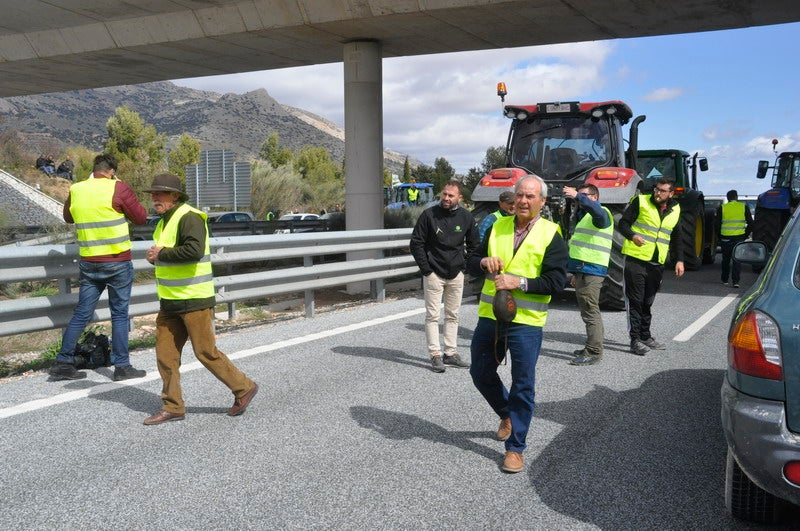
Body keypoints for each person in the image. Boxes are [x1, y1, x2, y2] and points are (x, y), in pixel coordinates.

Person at [467, 174, 568, 473]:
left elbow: (557, 282)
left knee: (523, 384)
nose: (523, 201)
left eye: (530, 197)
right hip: (490, 317)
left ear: (542, 202)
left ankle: (516, 448)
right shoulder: (497, 225)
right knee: (480, 371)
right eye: (520, 195)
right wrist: (483, 262)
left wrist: (520, 282)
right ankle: (506, 413)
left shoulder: (552, 234)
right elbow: (471, 259)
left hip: (526, 322)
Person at [143, 173, 258, 425]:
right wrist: (155, 256)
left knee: (205, 352)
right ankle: (173, 406)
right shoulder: (164, 221)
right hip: (170, 301)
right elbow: (167, 253)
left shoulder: (190, 217)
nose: (154, 198)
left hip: (194, 300)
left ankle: (244, 387)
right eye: (152, 194)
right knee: (165, 356)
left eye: (159, 193)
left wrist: (161, 254)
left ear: (174, 196)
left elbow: (194, 251)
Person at [48, 154, 148, 381]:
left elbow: (68, 217)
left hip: (89, 262)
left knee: (82, 312)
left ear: (94, 169)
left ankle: (63, 362)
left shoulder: (77, 188)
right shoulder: (118, 188)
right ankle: (122, 366)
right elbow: (140, 218)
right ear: (111, 171)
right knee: (119, 314)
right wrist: (118, 188)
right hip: (117, 261)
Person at [410, 179, 478, 373]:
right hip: (434, 274)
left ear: (459, 197)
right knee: (432, 316)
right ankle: (435, 355)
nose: (446, 198)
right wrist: (427, 270)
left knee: (452, 315)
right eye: (444, 194)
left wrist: (463, 267)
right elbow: (416, 243)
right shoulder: (428, 215)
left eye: (451, 195)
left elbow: (474, 244)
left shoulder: (466, 217)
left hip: (456, 274)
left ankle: (451, 353)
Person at [618, 177, 684, 356]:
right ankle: (634, 340)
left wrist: (680, 260)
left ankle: (645, 336)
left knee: (648, 302)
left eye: (663, 191)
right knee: (636, 301)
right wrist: (632, 236)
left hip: (657, 263)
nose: (658, 193)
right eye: (656, 189)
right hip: (636, 259)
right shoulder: (640, 202)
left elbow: (676, 236)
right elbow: (622, 223)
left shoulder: (675, 209)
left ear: (671, 193)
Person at [563, 184, 613, 366]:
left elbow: (597, 212)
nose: (579, 199)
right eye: (579, 195)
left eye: (584, 195)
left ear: (594, 197)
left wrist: (577, 194)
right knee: (588, 311)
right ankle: (591, 346)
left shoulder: (602, 214)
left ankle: (594, 352)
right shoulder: (584, 216)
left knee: (591, 311)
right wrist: (575, 271)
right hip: (584, 269)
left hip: (592, 269)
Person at [716, 189, 752, 288]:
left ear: (727, 198)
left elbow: (717, 224)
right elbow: (751, 223)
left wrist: (719, 236)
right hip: (739, 238)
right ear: (736, 197)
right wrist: (745, 235)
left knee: (726, 259)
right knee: (737, 260)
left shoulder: (722, 208)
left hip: (725, 238)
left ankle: (725, 279)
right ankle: (736, 281)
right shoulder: (743, 207)